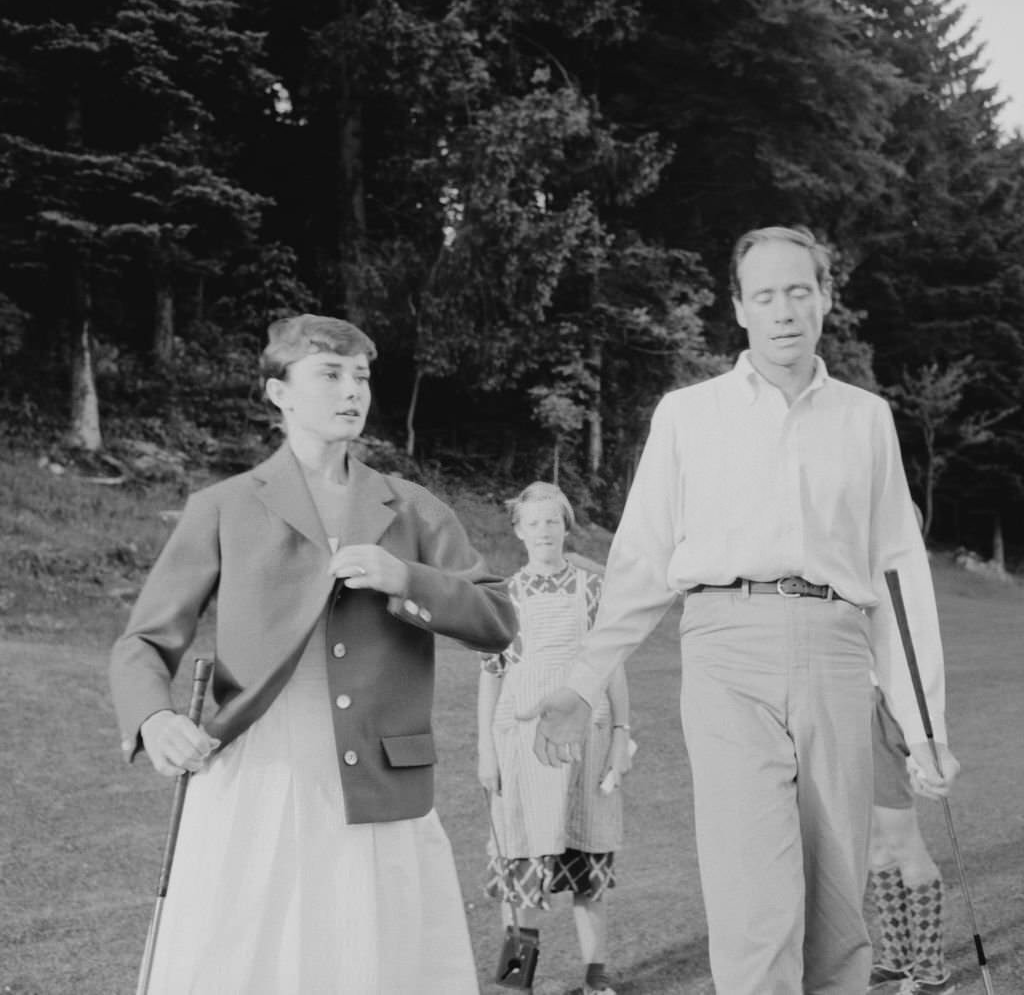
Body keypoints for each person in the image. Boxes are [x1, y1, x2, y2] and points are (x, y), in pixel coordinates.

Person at [523, 226, 960, 994]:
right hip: (726, 653)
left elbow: (897, 575)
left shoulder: (867, 419)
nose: (785, 310)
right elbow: (640, 562)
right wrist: (585, 678)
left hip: (835, 651)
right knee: (756, 901)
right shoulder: (689, 415)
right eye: (765, 295)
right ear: (738, 308)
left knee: (838, 913)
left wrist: (923, 726)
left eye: (800, 290)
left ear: (825, 297)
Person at [109, 314, 516, 994]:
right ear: (279, 393)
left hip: (380, 780)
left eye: (360, 375)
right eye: (329, 373)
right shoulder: (223, 506)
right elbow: (143, 642)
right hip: (260, 771)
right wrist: (153, 718)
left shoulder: (412, 508)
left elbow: (499, 618)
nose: (351, 389)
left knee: (375, 959)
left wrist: (405, 579)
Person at [477, 482, 633, 995]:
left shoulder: (591, 590)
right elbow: (492, 674)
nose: (543, 531)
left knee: (587, 861)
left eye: (552, 521)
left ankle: (596, 977)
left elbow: (610, 665)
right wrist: (486, 752)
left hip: (584, 740)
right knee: (519, 858)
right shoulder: (503, 596)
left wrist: (619, 737)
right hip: (521, 744)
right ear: (519, 531)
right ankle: (517, 980)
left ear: (566, 527)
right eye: (533, 523)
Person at [868, 684, 955, 995]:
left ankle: (933, 971)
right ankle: (897, 957)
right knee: (875, 850)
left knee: (904, 846)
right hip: (841, 712)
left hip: (877, 711)